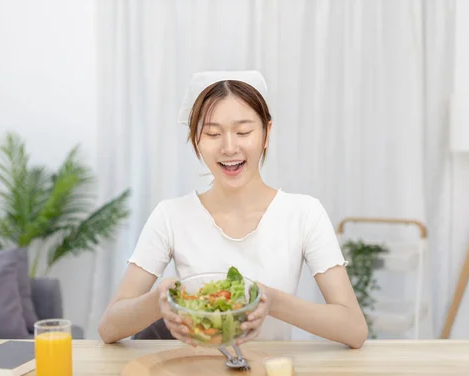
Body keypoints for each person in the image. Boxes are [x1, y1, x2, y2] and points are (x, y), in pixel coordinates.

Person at [98, 70, 368, 349]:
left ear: (266, 134)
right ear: (196, 140)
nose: (229, 147)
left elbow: (354, 329)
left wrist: (272, 301)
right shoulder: (170, 216)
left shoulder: (305, 213)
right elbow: (109, 327)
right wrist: (157, 301)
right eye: (212, 133)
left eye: (243, 132)